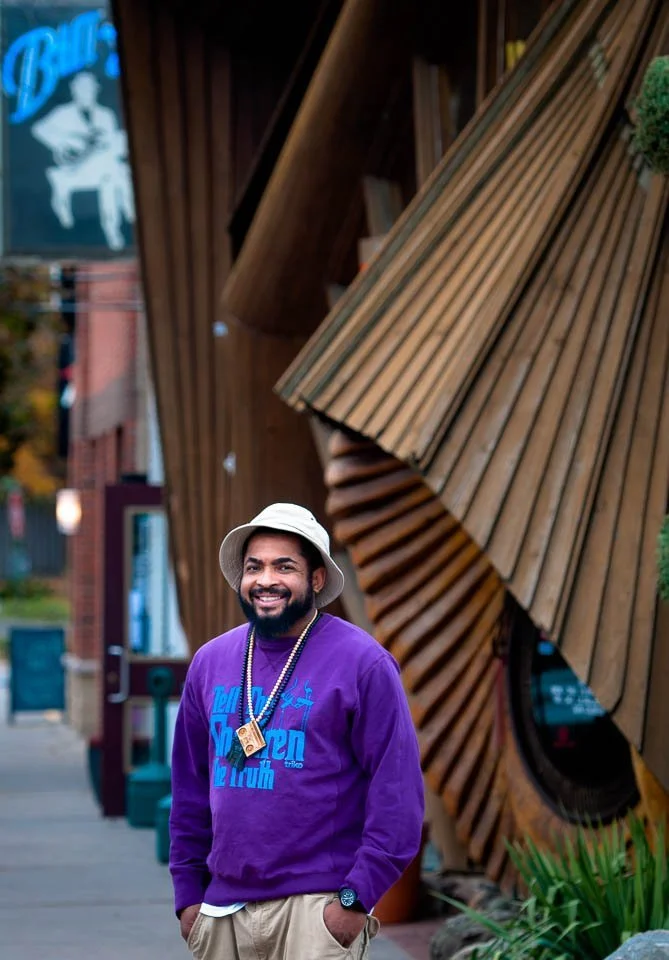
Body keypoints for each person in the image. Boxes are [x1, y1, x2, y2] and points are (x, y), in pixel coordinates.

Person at [169, 502, 425, 959]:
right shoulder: (210, 662)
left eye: (283, 566)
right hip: (222, 911)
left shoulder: (363, 664)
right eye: (254, 567)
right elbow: (189, 790)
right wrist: (188, 898)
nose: (266, 580)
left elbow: (398, 797)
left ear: (316, 578)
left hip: (316, 909)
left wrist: (353, 901)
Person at [31, 71, 134, 250]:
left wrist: (109, 143)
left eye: (90, 90)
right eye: (82, 89)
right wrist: (66, 141)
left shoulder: (106, 115)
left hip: (102, 168)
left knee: (113, 175)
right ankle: (126, 214)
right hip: (74, 170)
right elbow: (39, 129)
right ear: (74, 91)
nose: (87, 93)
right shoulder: (62, 113)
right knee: (116, 174)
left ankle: (113, 227)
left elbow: (112, 142)